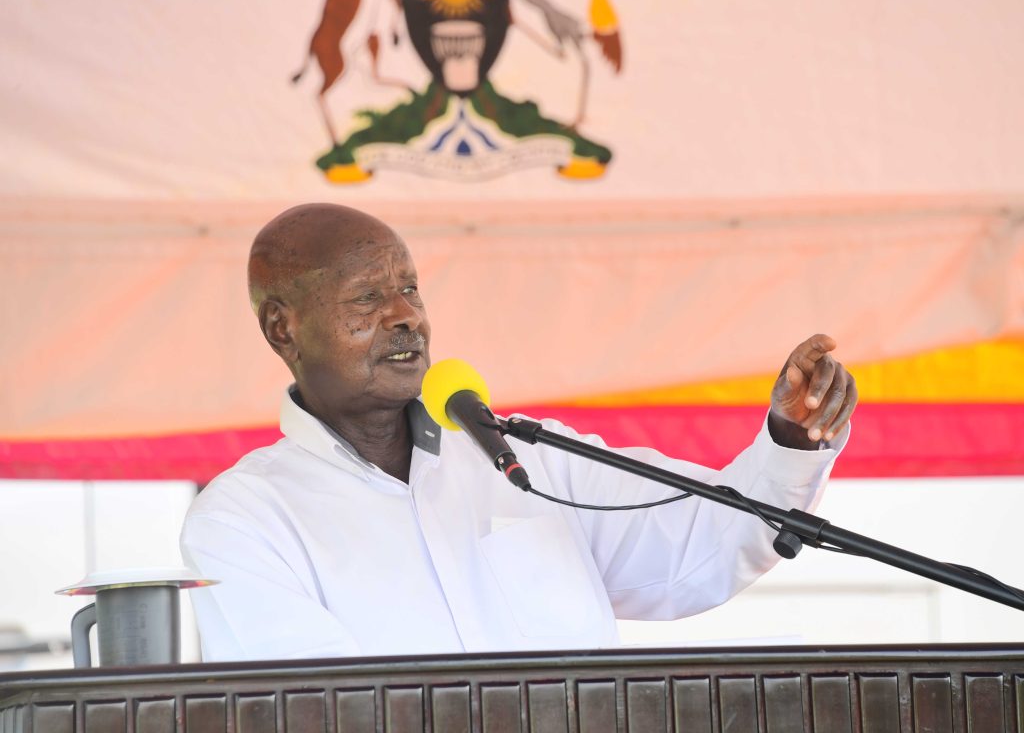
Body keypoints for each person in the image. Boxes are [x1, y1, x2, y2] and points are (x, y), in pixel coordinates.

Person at [180, 203, 857, 662]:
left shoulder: (523, 459)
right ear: (282, 328)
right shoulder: (244, 519)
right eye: (366, 298)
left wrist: (790, 441)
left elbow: (698, 544)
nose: (406, 316)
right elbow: (310, 708)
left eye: (411, 289)